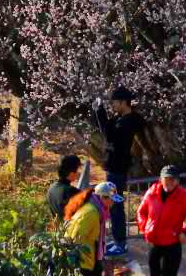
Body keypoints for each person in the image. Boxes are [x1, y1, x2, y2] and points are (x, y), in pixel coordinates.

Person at [92, 85, 147, 256]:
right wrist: (99, 112)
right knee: (113, 205)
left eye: (115, 102)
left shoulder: (127, 122)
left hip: (117, 169)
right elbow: (107, 129)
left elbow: (109, 135)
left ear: (124, 103)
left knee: (115, 205)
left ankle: (121, 243)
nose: (113, 106)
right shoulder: (120, 118)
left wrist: (100, 112)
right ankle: (117, 241)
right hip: (114, 168)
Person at [137, 165, 186, 276]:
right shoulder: (151, 193)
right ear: (160, 179)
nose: (169, 182)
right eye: (166, 178)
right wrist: (145, 228)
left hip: (172, 245)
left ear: (177, 181)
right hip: (154, 244)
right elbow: (141, 212)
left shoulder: (182, 197)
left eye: (173, 179)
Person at [64, 181, 122, 275]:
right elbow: (74, 238)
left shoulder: (97, 210)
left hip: (90, 259)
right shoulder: (91, 213)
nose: (113, 203)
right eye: (111, 199)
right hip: (83, 263)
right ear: (102, 197)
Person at [48, 154, 82, 220]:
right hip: (71, 228)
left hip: (58, 228)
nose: (79, 173)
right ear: (72, 173)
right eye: (78, 170)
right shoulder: (71, 191)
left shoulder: (51, 188)